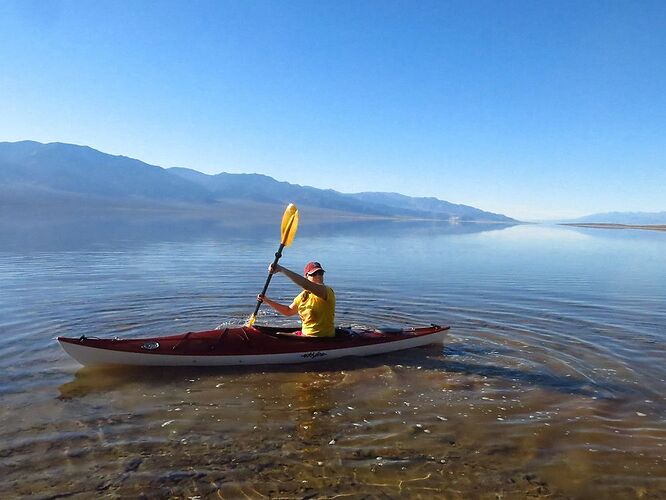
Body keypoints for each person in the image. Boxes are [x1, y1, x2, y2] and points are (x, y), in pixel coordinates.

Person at [257, 261, 336, 337]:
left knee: (279, 336)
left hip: (321, 338)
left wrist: (281, 269)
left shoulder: (327, 291)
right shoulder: (302, 296)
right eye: (314, 274)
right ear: (306, 277)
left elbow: (306, 284)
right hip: (305, 335)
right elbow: (288, 311)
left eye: (320, 273)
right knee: (277, 334)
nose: (318, 276)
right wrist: (267, 301)